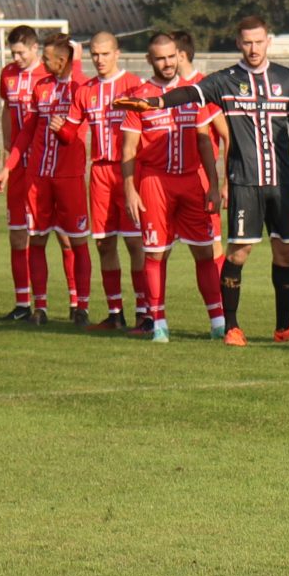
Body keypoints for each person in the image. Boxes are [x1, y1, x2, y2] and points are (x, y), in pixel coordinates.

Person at [138, 14, 289, 345]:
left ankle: (284, 328)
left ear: (269, 40)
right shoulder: (225, 80)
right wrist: (156, 102)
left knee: (286, 253)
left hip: (280, 183)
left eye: (259, 41)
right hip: (244, 183)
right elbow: (190, 93)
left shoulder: (285, 78)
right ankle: (231, 326)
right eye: (247, 42)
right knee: (238, 253)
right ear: (239, 43)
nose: (253, 48)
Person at [119, 32, 223, 343]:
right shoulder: (139, 96)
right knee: (155, 254)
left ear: (179, 55)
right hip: (155, 183)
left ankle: (218, 321)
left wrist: (213, 185)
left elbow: (205, 141)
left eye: (171, 56)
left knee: (205, 252)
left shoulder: (195, 93)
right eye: (160, 58)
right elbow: (128, 150)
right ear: (150, 60)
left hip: (191, 181)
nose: (167, 63)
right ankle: (159, 323)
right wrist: (129, 189)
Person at [19, 33, 93, 324]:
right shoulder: (41, 86)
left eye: (46, 58)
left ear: (62, 60)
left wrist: (62, 130)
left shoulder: (82, 88)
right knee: (36, 240)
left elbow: (73, 136)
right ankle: (41, 307)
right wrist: (11, 164)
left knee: (76, 242)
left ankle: (80, 305)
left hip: (69, 177)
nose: (42, 62)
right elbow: (28, 129)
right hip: (39, 177)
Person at [79, 32, 149, 330]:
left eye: (105, 53)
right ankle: (115, 313)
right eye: (94, 54)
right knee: (105, 245)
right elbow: (71, 130)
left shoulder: (135, 86)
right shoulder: (85, 90)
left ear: (117, 53)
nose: (99, 59)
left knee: (136, 244)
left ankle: (145, 313)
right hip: (99, 173)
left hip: (130, 172)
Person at [0, 24, 45, 320]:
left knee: (59, 237)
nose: (16, 58)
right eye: (13, 53)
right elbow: (6, 110)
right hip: (17, 166)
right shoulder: (7, 74)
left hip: (43, 168)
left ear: (35, 48)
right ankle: (22, 304)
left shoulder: (47, 75)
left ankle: (76, 304)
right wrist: (6, 147)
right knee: (17, 236)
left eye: (21, 52)